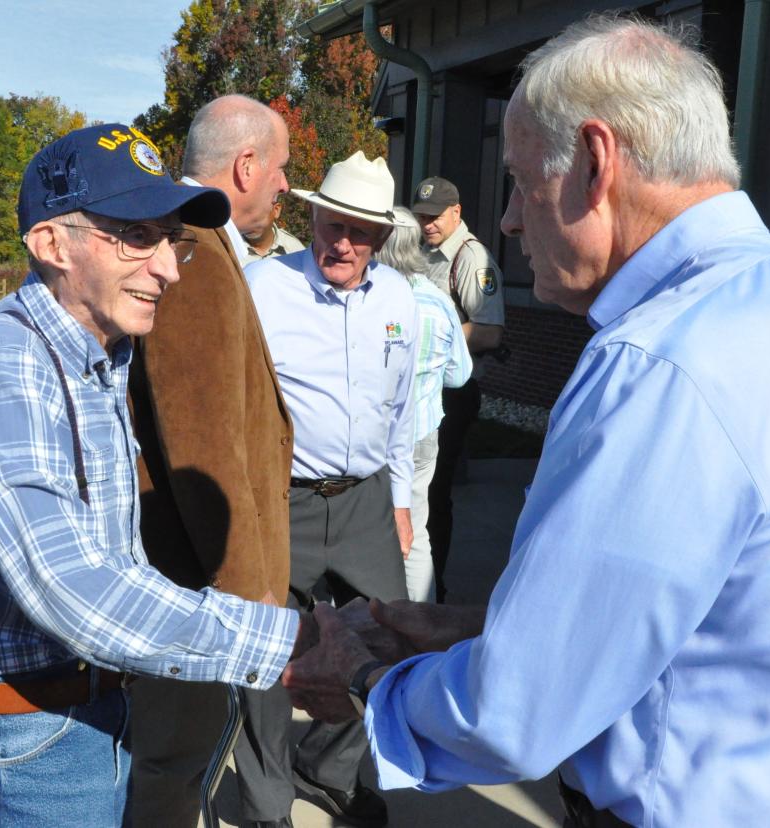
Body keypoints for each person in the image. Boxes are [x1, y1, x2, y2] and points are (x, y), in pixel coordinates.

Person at [282, 13, 770, 828]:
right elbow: (723, 615)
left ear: (593, 161)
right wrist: (478, 628)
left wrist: (368, 681)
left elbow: (514, 714)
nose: (509, 220)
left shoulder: (658, 360)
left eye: (518, 180)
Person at [0, 123, 313, 827]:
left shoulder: (98, 359)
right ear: (50, 243)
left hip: (80, 714)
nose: (170, 268)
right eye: (136, 236)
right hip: (22, 744)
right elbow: (72, 585)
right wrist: (278, 641)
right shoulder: (6, 366)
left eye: (170, 238)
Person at [126, 96, 296, 827]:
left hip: (197, 587)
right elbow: (205, 451)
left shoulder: (203, 247)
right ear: (246, 165)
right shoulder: (194, 253)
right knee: (170, 767)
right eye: (282, 168)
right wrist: (253, 605)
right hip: (194, 591)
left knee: (184, 760)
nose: (286, 186)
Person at [245, 151, 419, 827]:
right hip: (281, 500)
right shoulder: (264, 288)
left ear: (380, 236)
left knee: (386, 638)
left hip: (366, 502)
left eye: (356, 230)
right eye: (328, 223)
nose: (338, 241)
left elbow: (403, 410)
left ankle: (324, 766)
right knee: (267, 651)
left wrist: (401, 502)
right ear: (311, 216)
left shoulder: (401, 299)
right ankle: (264, 803)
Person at [412, 175, 505, 602]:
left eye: (434, 217)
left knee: (432, 497)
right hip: (425, 387)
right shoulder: (423, 252)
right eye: (421, 216)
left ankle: (436, 590)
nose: (427, 224)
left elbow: (488, 333)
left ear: (457, 212)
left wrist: (430, 333)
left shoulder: (472, 258)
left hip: (453, 390)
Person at [375, 206, 472, 602]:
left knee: (362, 531)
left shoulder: (372, 298)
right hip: (421, 435)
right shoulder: (438, 301)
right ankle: (418, 621)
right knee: (415, 530)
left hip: (375, 437)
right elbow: (460, 374)